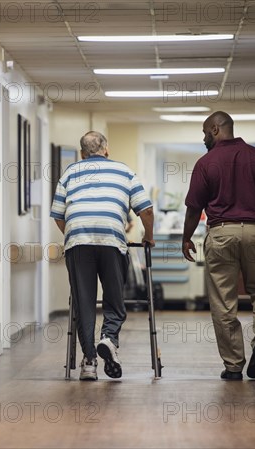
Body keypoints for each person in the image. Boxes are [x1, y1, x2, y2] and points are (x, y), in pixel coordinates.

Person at [182, 111, 255, 380]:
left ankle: (233, 366)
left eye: (206, 132)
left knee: (223, 301)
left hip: (220, 234)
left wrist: (186, 238)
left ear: (216, 129)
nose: (204, 137)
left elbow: (194, 207)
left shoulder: (205, 162)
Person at [51, 131, 155, 380]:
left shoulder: (69, 173)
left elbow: (58, 215)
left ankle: (89, 363)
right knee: (115, 299)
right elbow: (147, 210)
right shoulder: (124, 171)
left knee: (83, 302)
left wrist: (75, 236)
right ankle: (108, 338)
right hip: (111, 240)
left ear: (81, 153)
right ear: (106, 150)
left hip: (78, 243)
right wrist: (148, 236)